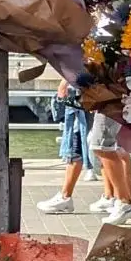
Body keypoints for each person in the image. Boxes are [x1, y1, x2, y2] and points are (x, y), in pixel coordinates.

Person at [38, 79, 104, 214]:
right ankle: (113, 196)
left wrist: (64, 83)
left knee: (89, 149)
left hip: (86, 102)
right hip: (88, 100)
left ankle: (66, 196)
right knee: (103, 150)